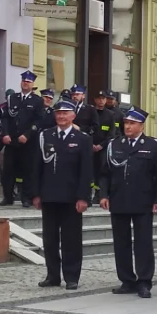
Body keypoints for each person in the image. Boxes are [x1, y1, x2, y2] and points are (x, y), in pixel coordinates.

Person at [99, 106, 157, 298]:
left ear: (141, 125)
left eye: (132, 123)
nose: (127, 127)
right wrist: (103, 194)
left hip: (143, 200)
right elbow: (104, 173)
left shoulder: (153, 145)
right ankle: (127, 280)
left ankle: (144, 281)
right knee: (121, 243)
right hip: (119, 199)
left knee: (143, 243)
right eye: (126, 123)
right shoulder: (115, 145)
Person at [33, 100, 93, 289]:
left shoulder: (82, 138)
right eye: (58, 113)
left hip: (71, 197)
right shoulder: (46, 136)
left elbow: (86, 171)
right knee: (49, 239)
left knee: (71, 239)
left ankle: (72, 276)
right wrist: (35, 194)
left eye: (65, 113)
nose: (61, 116)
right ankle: (52, 275)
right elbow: (36, 167)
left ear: (73, 116)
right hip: (49, 195)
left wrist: (83, 197)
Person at [0, 71, 43, 208]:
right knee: (8, 170)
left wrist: (27, 134)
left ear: (33, 84)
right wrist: (5, 134)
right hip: (11, 140)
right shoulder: (12, 98)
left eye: (28, 82)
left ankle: (26, 197)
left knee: (27, 171)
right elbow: (5, 117)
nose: (25, 83)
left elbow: (39, 120)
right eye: (24, 81)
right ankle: (7, 197)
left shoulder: (37, 101)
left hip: (28, 142)